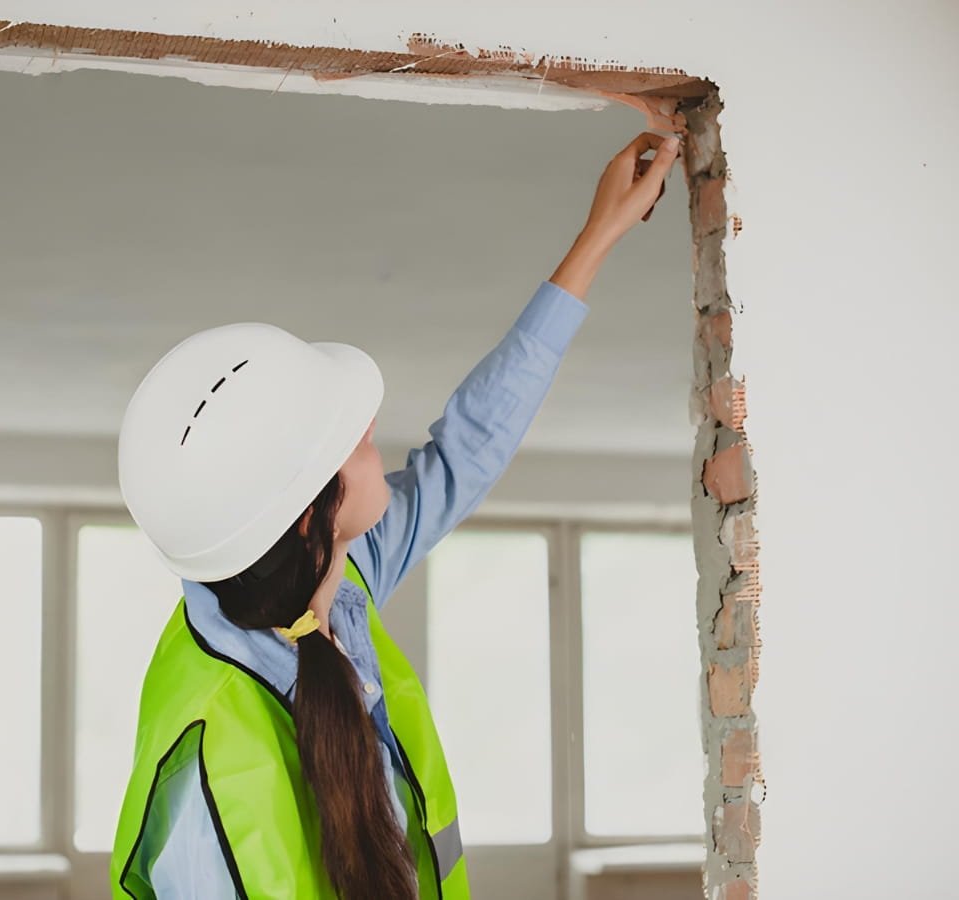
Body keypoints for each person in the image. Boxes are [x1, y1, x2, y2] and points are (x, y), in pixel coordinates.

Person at [109, 131, 683, 900]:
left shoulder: (326, 595)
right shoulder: (211, 774)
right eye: (344, 442)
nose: (370, 430)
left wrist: (598, 235)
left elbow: (468, 451)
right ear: (308, 516)